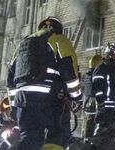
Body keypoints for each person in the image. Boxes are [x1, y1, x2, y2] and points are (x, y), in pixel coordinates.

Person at [7, 16, 82, 150]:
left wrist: (14, 106)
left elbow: (11, 78)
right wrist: (76, 97)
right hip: (50, 99)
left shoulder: (22, 44)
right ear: (58, 28)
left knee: (29, 139)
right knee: (57, 135)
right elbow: (69, 69)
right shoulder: (59, 39)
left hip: (23, 100)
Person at [82, 54, 102, 138]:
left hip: (88, 102)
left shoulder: (87, 75)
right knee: (94, 123)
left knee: (88, 123)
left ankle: (86, 139)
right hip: (94, 103)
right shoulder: (95, 75)